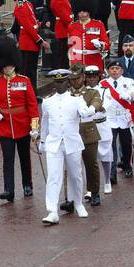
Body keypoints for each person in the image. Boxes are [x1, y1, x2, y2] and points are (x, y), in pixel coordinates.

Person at [0, 36, 38, 203]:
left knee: (24, 157)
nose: (7, 68)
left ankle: (27, 184)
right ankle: (9, 189)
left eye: (9, 65)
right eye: (5, 65)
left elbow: (32, 106)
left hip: (22, 125)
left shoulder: (24, 81)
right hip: (5, 127)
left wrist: (34, 126)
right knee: (8, 159)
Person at [37, 68, 92, 224]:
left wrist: (88, 111)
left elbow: (83, 112)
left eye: (62, 82)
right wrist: (42, 142)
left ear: (67, 82)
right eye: (57, 82)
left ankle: (79, 203)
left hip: (72, 142)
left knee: (76, 175)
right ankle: (52, 210)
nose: (59, 85)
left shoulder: (76, 99)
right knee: (53, 176)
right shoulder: (47, 101)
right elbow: (45, 123)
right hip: (54, 143)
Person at [10, 0, 43, 88]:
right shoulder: (20, 7)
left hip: (32, 42)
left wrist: (38, 24)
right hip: (28, 43)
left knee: (32, 71)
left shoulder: (28, 4)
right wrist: (40, 40)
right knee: (27, 72)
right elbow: (28, 27)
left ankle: (33, 92)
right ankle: (27, 93)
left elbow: (32, 23)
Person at [47, 0, 71, 71]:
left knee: (66, 57)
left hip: (65, 30)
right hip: (63, 30)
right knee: (63, 59)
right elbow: (65, 17)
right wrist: (74, 24)